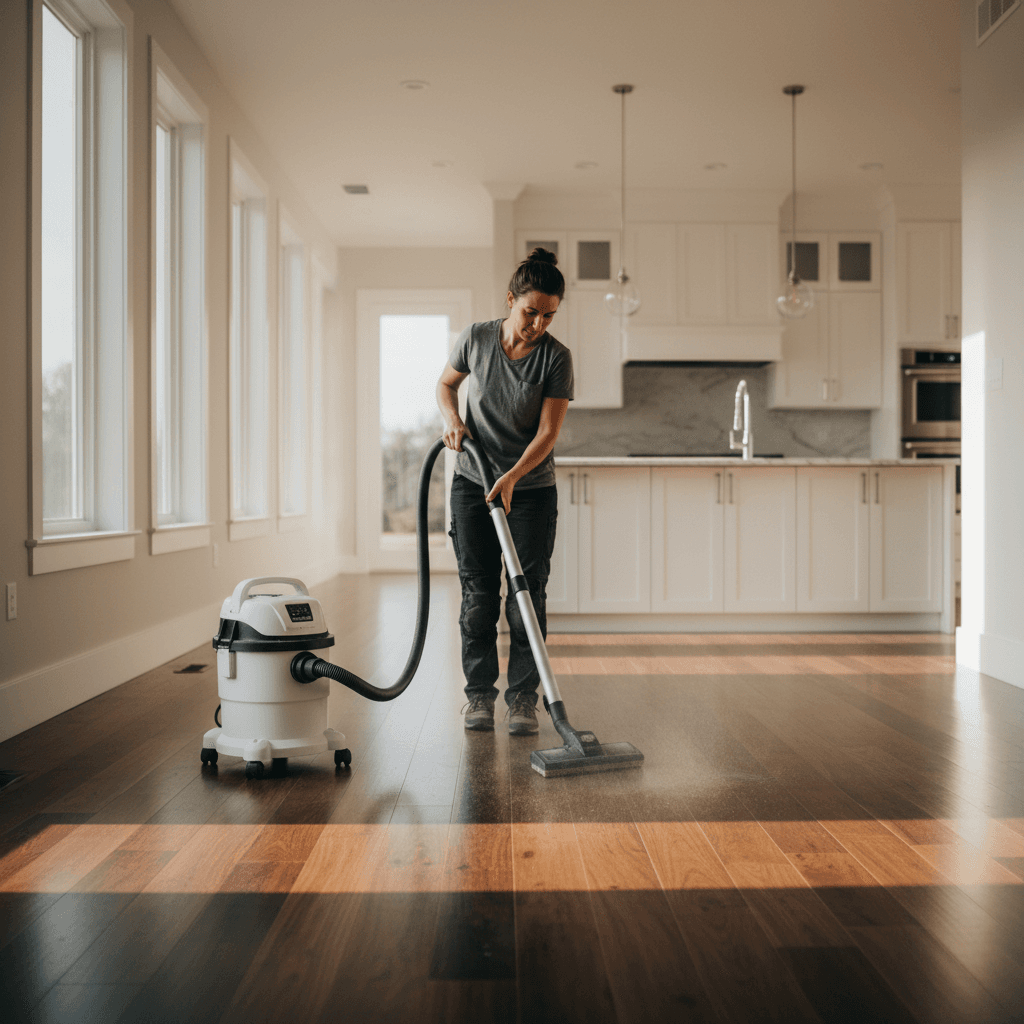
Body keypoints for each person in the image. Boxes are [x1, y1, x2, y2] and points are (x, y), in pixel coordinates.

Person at [436, 249, 574, 735]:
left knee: (525, 599)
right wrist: (453, 419)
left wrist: (513, 477)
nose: (538, 324)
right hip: (473, 484)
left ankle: (522, 702)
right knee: (478, 595)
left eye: (549, 315)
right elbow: (446, 385)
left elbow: (548, 433)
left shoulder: (556, 357)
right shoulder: (476, 338)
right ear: (511, 299)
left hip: (530, 489)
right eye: (531, 312)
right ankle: (478, 696)